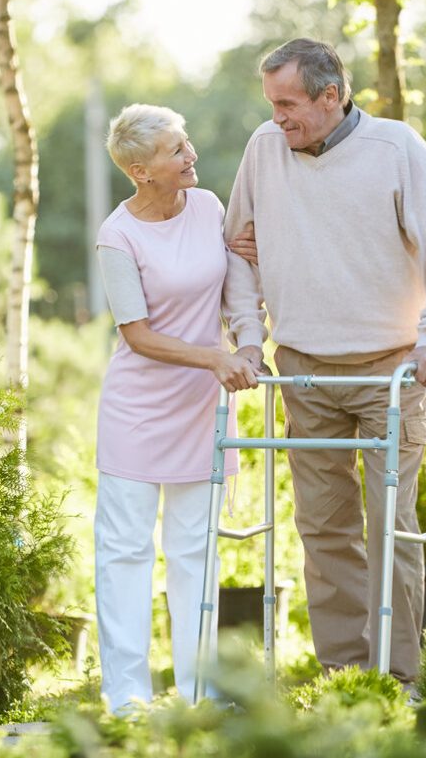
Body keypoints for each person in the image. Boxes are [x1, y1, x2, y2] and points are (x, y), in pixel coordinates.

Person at [223, 38, 426, 690]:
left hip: (389, 368)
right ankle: (345, 678)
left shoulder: (395, 150)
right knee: (324, 526)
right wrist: (249, 338)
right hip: (303, 366)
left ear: (331, 95)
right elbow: (238, 250)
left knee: (392, 524)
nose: (278, 118)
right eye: (271, 104)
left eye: (289, 104)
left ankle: (398, 679)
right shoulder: (262, 150)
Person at [94, 103, 261, 712]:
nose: (190, 155)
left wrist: (245, 342)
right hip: (137, 412)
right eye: (175, 150)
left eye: (186, 143)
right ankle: (128, 698)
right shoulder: (117, 235)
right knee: (126, 555)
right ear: (141, 170)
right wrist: (216, 360)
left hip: (201, 412)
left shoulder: (210, 206)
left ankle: (201, 695)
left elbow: (233, 277)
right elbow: (136, 334)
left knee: (196, 553)